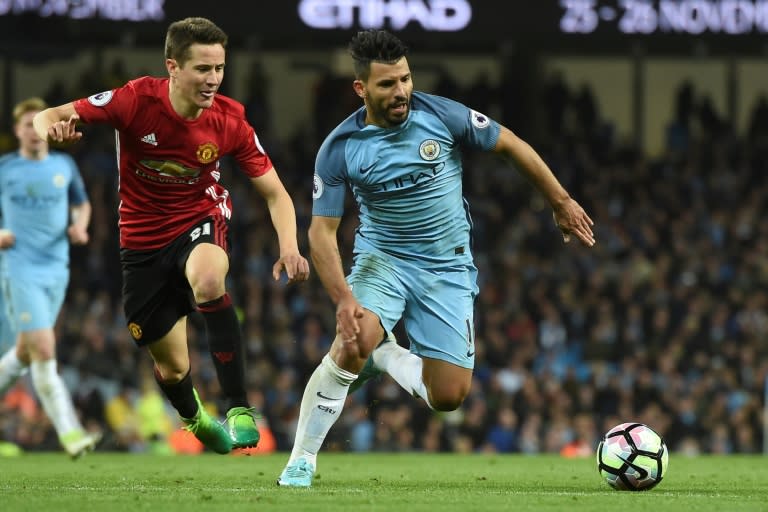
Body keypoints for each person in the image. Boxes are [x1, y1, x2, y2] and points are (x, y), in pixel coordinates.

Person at [277, 30, 595, 486]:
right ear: (361, 89)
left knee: (448, 396)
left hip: (447, 266)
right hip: (382, 259)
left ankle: (385, 355)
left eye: (405, 78)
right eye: (387, 84)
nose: (401, 91)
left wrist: (560, 201)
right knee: (351, 342)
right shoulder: (341, 147)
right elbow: (321, 234)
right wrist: (344, 298)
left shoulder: (441, 115)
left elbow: (510, 145)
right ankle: (301, 461)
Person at [33, 17, 310, 454]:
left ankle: (238, 407)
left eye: (219, 68)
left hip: (200, 218)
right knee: (172, 367)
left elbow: (277, 194)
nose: (213, 79)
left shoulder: (230, 120)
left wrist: (290, 247)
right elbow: (46, 115)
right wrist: (51, 131)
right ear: (173, 67)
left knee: (208, 279)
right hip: (141, 241)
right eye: (203, 68)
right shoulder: (134, 100)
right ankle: (194, 418)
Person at [0, 97, 100, 458]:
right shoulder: (5, 168)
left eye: (36, 123)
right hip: (19, 266)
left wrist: (80, 225)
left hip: (56, 267)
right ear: (17, 131)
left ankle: (71, 434)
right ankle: (71, 434)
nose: (32, 130)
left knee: (26, 353)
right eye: (26, 124)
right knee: (44, 347)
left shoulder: (64, 165)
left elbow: (82, 203)